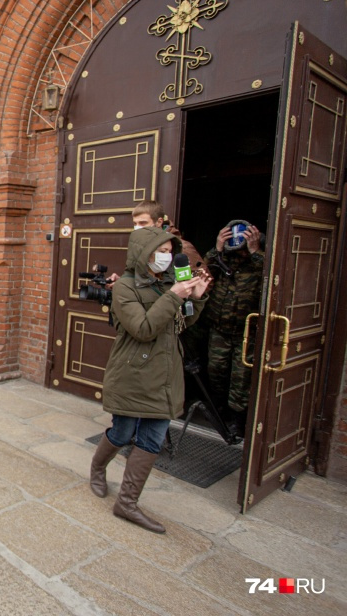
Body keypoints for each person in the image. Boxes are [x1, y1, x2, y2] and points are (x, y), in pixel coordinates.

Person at [89, 227, 210, 533]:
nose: (167, 258)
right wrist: (173, 296)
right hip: (133, 373)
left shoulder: (168, 285)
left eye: (171, 252)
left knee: (153, 439)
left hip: (164, 373)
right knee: (123, 431)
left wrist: (196, 298)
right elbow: (142, 329)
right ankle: (98, 468)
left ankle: (127, 503)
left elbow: (181, 323)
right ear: (145, 253)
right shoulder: (125, 288)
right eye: (161, 251)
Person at [202, 220, 264, 432]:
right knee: (216, 371)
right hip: (219, 330)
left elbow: (272, 279)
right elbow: (202, 274)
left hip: (245, 333)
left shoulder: (258, 263)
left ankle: (237, 420)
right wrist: (218, 247)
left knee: (241, 378)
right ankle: (218, 411)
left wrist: (255, 251)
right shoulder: (222, 261)